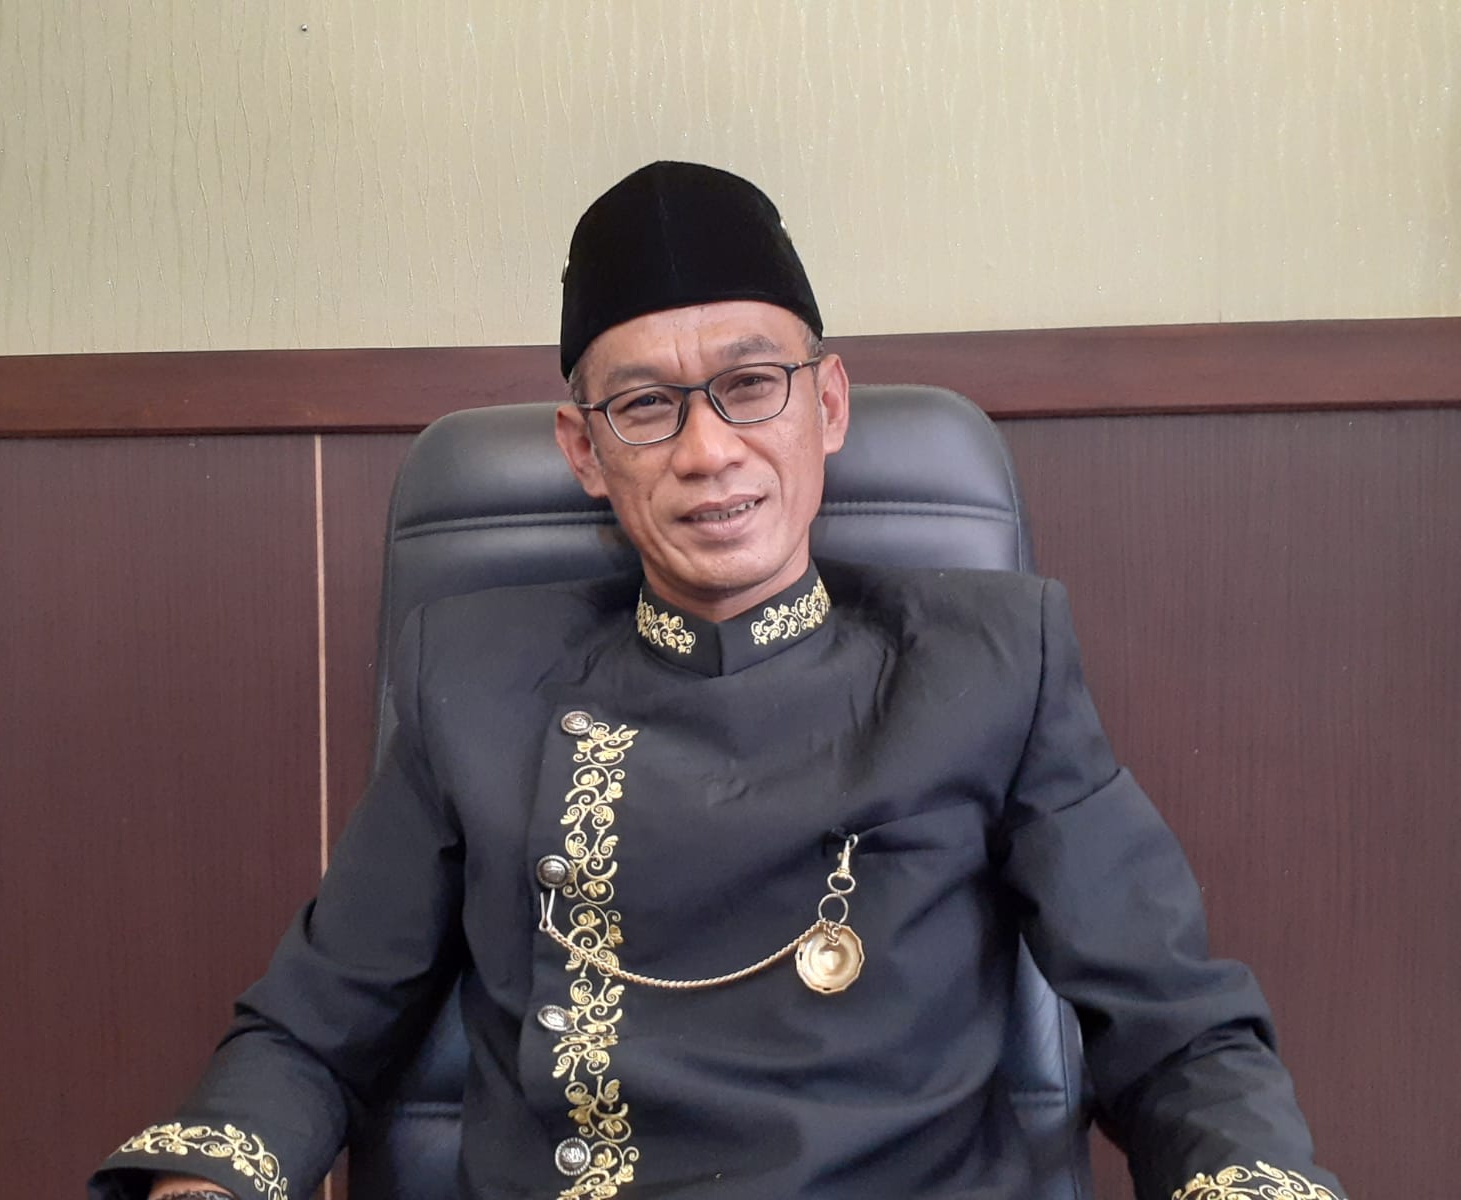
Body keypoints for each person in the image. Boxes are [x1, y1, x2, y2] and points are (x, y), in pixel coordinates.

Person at [92, 162, 1345, 1200]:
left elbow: (1177, 1031)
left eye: (750, 386)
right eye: (646, 406)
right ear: (585, 451)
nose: (708, 451)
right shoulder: (472, 678)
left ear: (827, 405)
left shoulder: (992, 659)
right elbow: (314, 1026)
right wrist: (207, 1184)